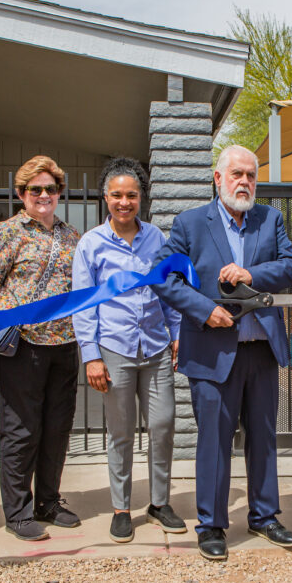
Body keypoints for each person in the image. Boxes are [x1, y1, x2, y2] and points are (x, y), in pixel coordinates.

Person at [152, 144, 292, 561]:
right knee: (214, 441)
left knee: (263, 437)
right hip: (212, 349)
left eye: (251, 175)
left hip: (260, 348)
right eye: (237, 174)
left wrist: (251, 273)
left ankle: (265, 516)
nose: (245, 182)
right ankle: (212, 524)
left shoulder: (270, 219)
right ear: (218, 178)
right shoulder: (189, 223)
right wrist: (205, 310)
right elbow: (162, 277)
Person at [72, 157, 185, 543]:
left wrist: (176, 332)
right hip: (114, 348)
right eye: (117, 195)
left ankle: (159, 503)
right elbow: (83, 304)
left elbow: (168, 289)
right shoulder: (91, 244)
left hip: (155, 347)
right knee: (120, 433)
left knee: (163, 425)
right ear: (106, 198)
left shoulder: (157, 239)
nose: (125, 202)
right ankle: (121, 508)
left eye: (132, 195)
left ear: (141, 198)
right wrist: (91, 355)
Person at [0, 155, 82, 542]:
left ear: (60, 192)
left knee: (57, 426)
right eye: (35, 189)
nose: (43, 195)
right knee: (22, 428)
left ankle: (48, 501)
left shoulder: (72, 236)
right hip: (22, 345)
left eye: (51, 188)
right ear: (21, 193)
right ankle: (17, 511)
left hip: (64, 343)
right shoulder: (5, 233)